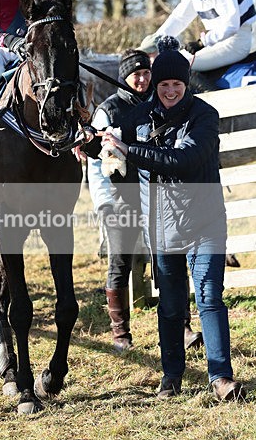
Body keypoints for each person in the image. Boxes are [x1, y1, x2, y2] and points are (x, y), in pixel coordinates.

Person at [101, 36, 245, 402]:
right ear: (155, 85)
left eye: (176, 84)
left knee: (210, 296)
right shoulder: (135, 120)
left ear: (186, 85)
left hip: (205, 222)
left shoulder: (205, 117)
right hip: (160, 223)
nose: (169, 91)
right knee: (170, 303)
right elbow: (117, 162)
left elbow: (183, 161)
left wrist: (128, 149)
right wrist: (98, 146)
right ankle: (171, 377)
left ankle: (220, 377)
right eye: (163, 84)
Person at [87, 50, 203, 352]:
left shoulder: (159, 106)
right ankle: (121, 334)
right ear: (123, 76)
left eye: (146, 73)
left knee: (167, 264)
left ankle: (182, 328)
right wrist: (104, 203)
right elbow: (96, 163)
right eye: (135, 74)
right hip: (120, 201)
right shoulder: (109, 109)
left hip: (157, 198)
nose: (141, 79)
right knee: (120, 264)